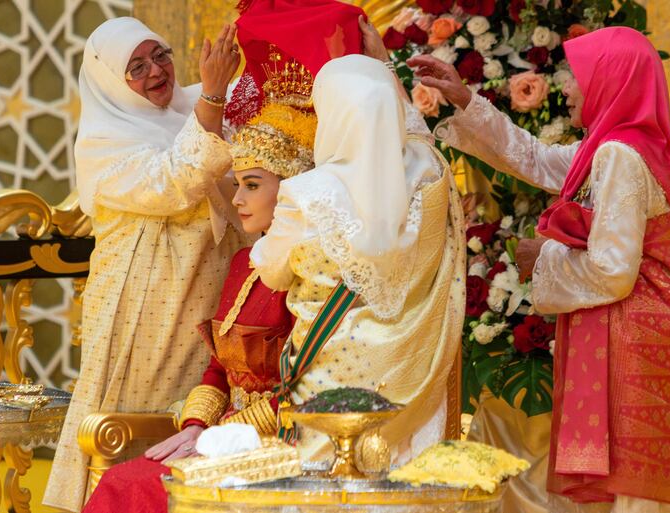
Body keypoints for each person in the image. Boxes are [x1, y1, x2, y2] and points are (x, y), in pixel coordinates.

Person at [411, 26, 670, 512]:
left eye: (579, 77)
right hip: (650, 329)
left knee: (630, 496)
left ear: (613, 80)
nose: (568, 88)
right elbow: (537, 158)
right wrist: (467, 99)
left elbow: (613, 270)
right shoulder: (623, 147)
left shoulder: (617, 155)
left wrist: (540, 256)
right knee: (634, 492)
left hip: (633, 333)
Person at [45, 17, 248, 512]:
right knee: (131, 421)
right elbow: (173, 182)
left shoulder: (194, 103)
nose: (155, 72)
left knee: (201, 413)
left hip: (211, 290)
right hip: (141, 310)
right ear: (113, 82)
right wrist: (216, 97)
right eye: (135, 68)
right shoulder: (102, 140)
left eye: (160, 55)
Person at [81, 102, 317, 513]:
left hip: (280, 445)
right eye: (237, 183)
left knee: (145, 488)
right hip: (222, 436)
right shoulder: (246, 262)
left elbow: (308, 385)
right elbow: (218, 369)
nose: (238, 198)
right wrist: (194, 428)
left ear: (292, 187)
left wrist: (219, 437)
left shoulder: (310, 268)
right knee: (126, 481)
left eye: (253, 185)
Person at [251, 53, 467, 464]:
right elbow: (416, 133)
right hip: (414, 374)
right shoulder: (432, 172)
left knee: (332, 486)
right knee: (406, 483)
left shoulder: (307, 193)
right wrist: (387, 69)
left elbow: (272, 273)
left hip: (333, 382)